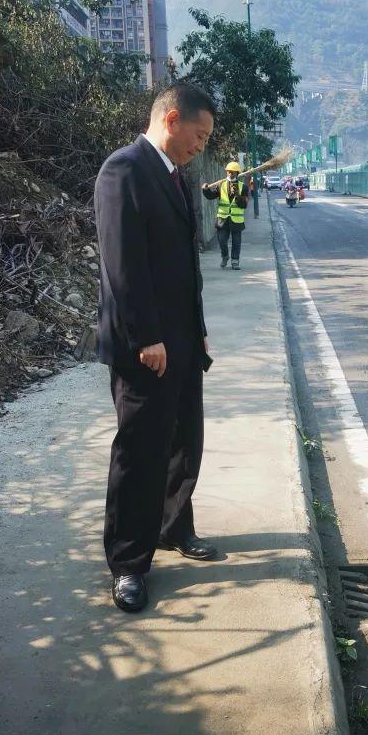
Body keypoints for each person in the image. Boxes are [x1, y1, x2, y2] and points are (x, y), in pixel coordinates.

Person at [94, 81, 219, 613]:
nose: (202, 145)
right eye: (200, 134)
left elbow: (184, 266)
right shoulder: (123, 171)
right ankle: (128, 562)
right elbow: (122, 264)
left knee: (183, 440)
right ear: (171, 119)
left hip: (181, 339)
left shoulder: (174, 177)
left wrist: (197, 327)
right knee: (141, 451)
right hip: (144, 345)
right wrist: (146, 336)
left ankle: (172, 527)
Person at [201, 161, 248, 270]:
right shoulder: (220, 185)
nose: (230, 174)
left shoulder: (243, 187)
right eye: (228, 172)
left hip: (236, 220)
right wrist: (205, 190)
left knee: (236, 242)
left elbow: (244, 205)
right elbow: (211, 196)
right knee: (222, 241)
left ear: (237, 173)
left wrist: (237, 195)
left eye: (232, 172)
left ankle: (235, 261)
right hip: (222, 219)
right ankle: (225, 256)